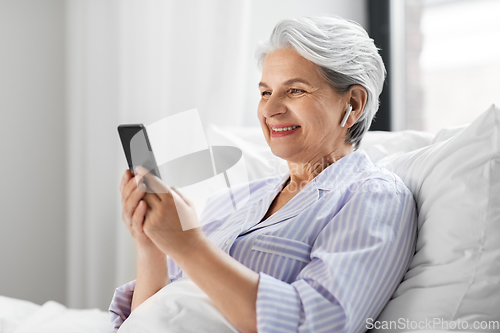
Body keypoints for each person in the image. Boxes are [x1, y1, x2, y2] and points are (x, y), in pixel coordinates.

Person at [109, 16, 417, 333]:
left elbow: (319, 323)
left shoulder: (373, 197)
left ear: (352, 103)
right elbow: (152, 315)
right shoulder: (233, 201)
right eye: (266, 92)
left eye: (294, 90)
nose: (270, 110)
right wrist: (154, 249)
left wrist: (189, 245)